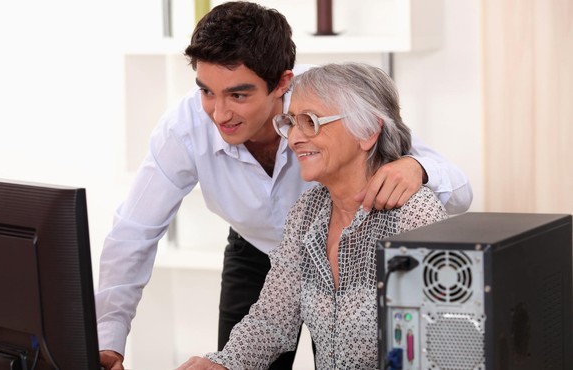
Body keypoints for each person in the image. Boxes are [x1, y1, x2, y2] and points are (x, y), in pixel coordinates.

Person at [96, 2, 472, 369]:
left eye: (238, 94)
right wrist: (110, 342)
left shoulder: (334, 98)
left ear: (281, 84)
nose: (218, 113)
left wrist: (417, 167)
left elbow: (444, 346)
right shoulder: (187, 130)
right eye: (207, 91)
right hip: (263, 246)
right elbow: (134, 233)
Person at [176, 61, 450, 370]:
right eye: (291, 122)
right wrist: (224, 363)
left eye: (310, 122)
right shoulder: (306, 213)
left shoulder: (415, 218)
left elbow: (439, 349)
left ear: (369, 131)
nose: (293, 139)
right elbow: (272, 320)